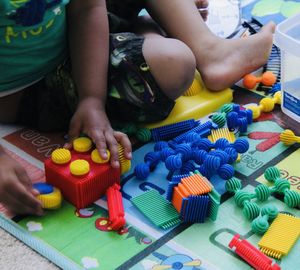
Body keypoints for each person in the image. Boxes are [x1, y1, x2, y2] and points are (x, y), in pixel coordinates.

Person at [0, 0, 275, 216]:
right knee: (174, 63)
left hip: (75, 34)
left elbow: (86, 9)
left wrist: (91, 99)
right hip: (29, 90)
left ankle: (211, 51)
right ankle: (146, 30)